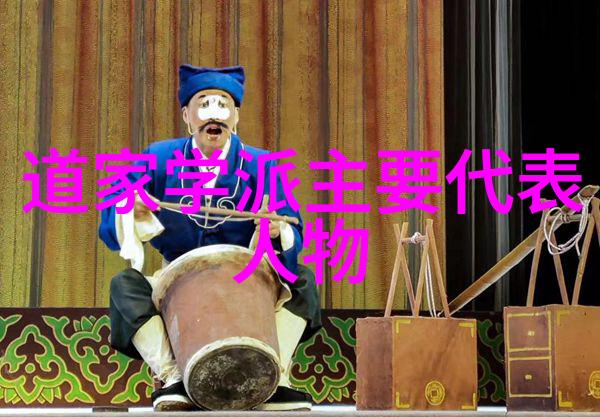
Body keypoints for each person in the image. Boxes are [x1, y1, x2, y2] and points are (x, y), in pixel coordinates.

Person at [98, 64, 321, 411]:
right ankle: (173, 376)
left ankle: (274, 375)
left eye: (222, 105)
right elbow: (114, 210)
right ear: (187, 116)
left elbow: (292, 224)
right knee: (125, 286)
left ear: (235, 117)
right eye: (203, 105)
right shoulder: (159, 157)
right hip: (178, 278)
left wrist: (278, 230)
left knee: (302, 281)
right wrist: (131, 209)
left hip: (245, 276)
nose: (213, 115)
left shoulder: (260, 164)